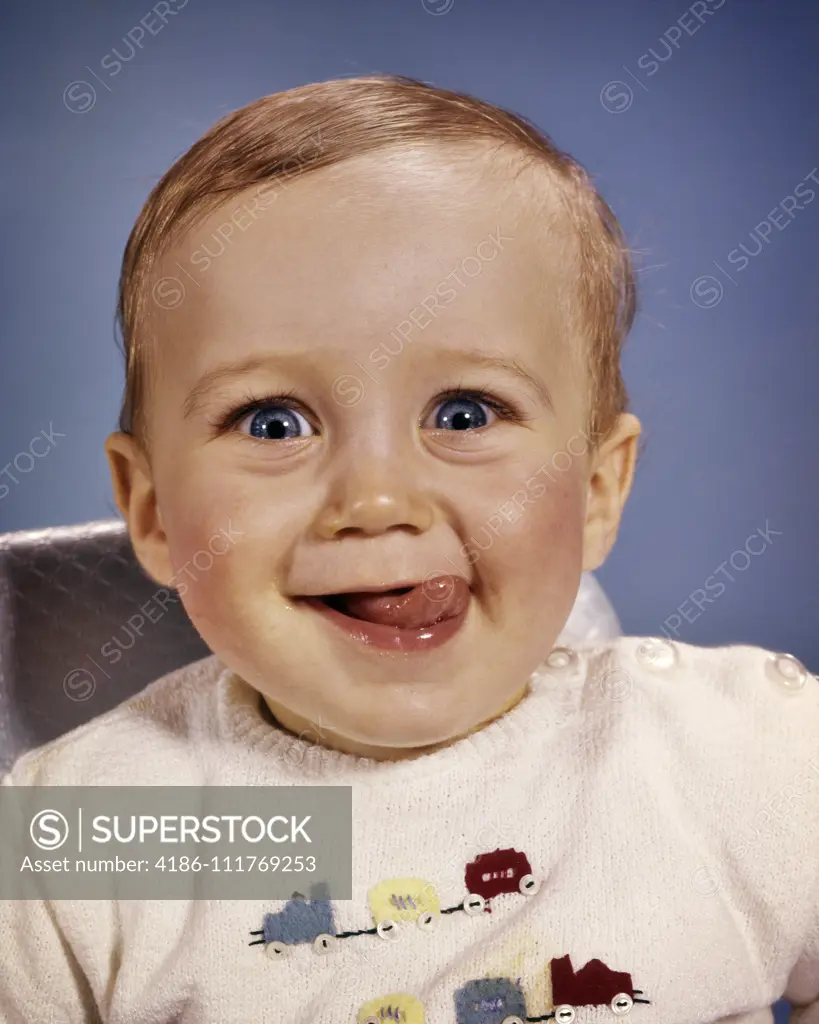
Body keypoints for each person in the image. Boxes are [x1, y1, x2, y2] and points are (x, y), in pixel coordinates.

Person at [1, 73, 817, 1024]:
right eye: (273, 423)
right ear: (150, 512)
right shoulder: (101, 834)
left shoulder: (744, 754)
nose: (374, 499)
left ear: (598, 491)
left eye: (463, 413)